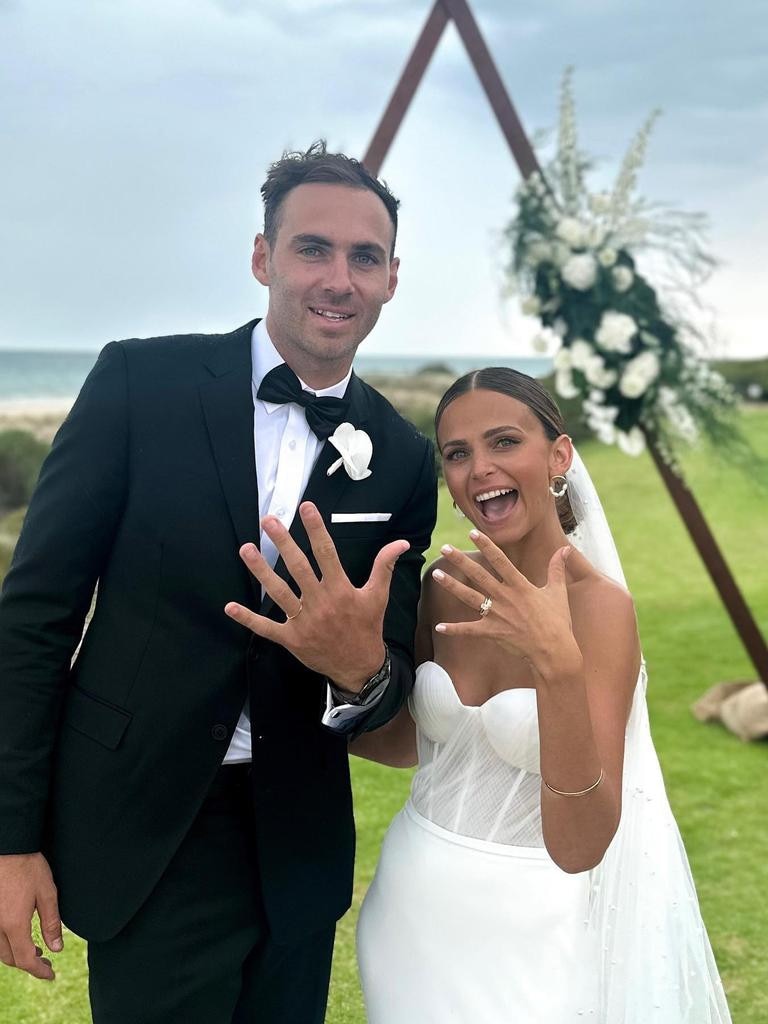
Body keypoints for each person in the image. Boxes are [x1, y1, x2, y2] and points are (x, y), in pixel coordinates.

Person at [0, 141, 437, 1023]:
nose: (338, 278)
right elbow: (35, 617)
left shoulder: (401, 457)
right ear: (262, 256)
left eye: (365, 257)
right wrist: (11, 841)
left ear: (393, 278)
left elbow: (386, 686)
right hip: (144, 830)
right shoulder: (139, 382)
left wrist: (360, 671)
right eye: (313, 247)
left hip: (297, 849)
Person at [353, 367, 732, 1023]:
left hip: (533, 933)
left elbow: (582, 843)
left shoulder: (601, 611)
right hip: (410, 910)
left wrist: (557, 665)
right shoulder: (444, 582)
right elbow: (407, 744)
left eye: (504, 442)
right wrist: (343, 667)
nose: (479, 469)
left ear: (558, 456)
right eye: (457, 453)